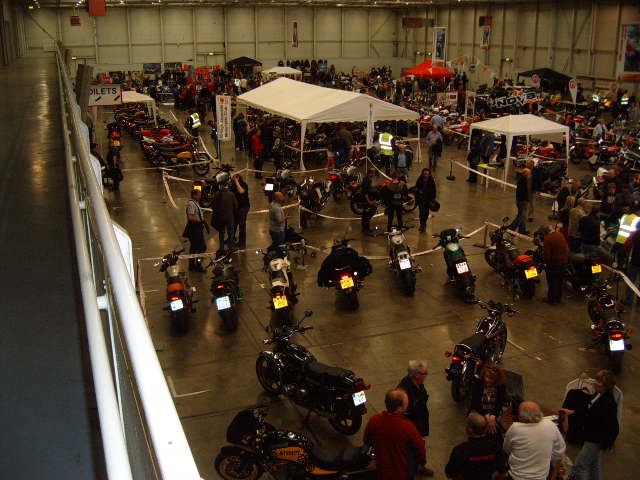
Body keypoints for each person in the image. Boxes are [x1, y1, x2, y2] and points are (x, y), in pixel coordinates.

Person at [364, 389, 427, 480]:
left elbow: (367, 440)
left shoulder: (374, 420)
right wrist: (422, 462)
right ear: (400, 408)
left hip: (381, 470)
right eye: (406, 402)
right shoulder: (407, 426)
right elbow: (420, 449)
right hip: (401, 473)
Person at [567, 371, 619, 480]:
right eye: (597, 381)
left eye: (600, 383)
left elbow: (593, 416)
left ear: (607, 386)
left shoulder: (607, 403)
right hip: (594, 436)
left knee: (579, 466)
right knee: (594, 465)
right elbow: (588, 407)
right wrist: (572, 412)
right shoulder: (599, 394)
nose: (596, 383)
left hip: (596, 439)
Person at [503, 401, 566, 480]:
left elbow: (506, 449)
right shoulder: (550, 425)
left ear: (521, 417)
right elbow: (559, 452)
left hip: (516, 477)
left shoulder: (515, 428)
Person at [397, 360, 434, 477]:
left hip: (420, 422)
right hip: (411, 426)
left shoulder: (418, 383)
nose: (427, 375)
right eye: (424, 373)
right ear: (416, 375)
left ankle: (420, 466)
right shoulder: (404, 391)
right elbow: (402, 412)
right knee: (411, 450)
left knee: (420, 446)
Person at [445, 413, 508, 480]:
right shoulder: (496, 448)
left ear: (470, 430)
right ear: (485, 429)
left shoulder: (460, 451)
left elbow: (450, 473)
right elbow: (503, 471)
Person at [467, 364, 507, 440]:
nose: (487, 379)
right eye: (486, 376)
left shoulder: (501, 386)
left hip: (493, 412)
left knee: (496, 426)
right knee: (482, 423)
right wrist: (487, 416)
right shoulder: (478, 383)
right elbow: (475, 404)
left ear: (497, 380)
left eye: (491, 378)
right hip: (478, 411)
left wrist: (493, 415)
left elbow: (499, 403)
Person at [541, 223, 569, 304]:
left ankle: (551, 299)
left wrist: (546, 264)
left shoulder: (547, 239)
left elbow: (547, 254)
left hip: (554, 264)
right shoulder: (560, 234)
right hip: (563, 262)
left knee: (552, 282)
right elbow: (566, 248)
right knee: (560, 281)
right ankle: (558, 298)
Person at [185, 189, 209, 272]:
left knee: (194, 248)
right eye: (199, 195)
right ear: (194, 195)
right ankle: (198, 265)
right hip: (194, 229)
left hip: (197, 228)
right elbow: (190, 217)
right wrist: (200, 221)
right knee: (202, 247)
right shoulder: (191, 204)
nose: (200, 196)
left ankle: (192, 265)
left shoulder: (195, 203)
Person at [212, 185, 238, 251]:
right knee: (231, 232)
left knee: (221, 233)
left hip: (220, 217)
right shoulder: (231, 194)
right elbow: (236, 206)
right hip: (229, 217)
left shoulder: (217, 194)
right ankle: (231, 247)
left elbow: (213, 206)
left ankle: (221, 247)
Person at [507, 167, 531, 235]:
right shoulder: (524, 181)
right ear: (525, 174)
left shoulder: (522, 179)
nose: (530, 175)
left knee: (522, 216)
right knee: (520, 216)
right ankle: (511, 228)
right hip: (522, 201)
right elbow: (526, 191)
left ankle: (522, 230)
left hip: (520, 200)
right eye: (529, 173)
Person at [230, 174, 250, 248]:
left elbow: (241, 191)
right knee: (233, 224)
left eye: (236, 178)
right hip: (236, 208)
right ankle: (231, 239)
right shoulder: (232, 186)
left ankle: (242, 243)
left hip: (243, 207)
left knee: (241, 225)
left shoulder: (244, 185)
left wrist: (236, 182)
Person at [415, 168, 437, 233]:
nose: (426, 175)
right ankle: (422, 224)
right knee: (421, 213)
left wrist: (433, 199)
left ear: (429, 174)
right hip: (420, 199)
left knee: (426, 213)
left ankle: (424, 223)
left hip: (428, 200)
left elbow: (434, 190)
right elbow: (417, 187)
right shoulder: (420, 179)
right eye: (424, 174)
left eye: (427, 174)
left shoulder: (431, 181)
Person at [360, 167, 378, 236]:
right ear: (370, 173)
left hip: (365, 200)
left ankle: (366, 229)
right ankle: (366, 230)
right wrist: (369, 201)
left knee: (366, 215)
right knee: (367, 215)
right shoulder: (368, 180)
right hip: (366, 201)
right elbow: (365, 192)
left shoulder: (366, 178)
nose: (374, 174)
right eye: (373, 173)